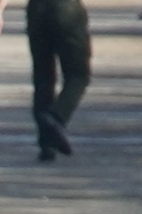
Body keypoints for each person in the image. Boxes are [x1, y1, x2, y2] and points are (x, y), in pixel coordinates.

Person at [30, 0, 87, 156]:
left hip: (36, 8)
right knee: (78, 75)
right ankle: (56, 116)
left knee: (43, 76)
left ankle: (46, 142)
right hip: (66, 7)